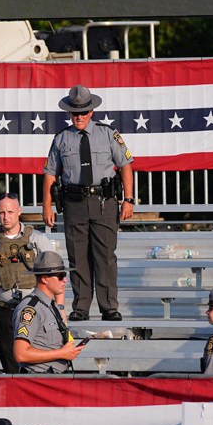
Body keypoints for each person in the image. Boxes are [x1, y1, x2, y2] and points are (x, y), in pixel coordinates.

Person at [43, 84, 135, 322]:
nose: (79, 117)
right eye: (75, 113)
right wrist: (46, 205)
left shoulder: (107, 133)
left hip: (104, 202)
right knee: (78, 258)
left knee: (104, 256)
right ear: (69, 114)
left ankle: (108, 307)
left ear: (92, 112)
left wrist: (129, 199)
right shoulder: (62, 138)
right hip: (74, 203)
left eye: (83, 112)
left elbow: (125, 166)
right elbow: (50, 173)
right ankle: (81, 307)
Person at [0, 193, 62, 373]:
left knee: (38, 363)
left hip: (35, 310)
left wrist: (59, 308)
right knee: (10, 364)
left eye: (10, 212)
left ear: (19, 211)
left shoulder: (37, 239)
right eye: (2, 212)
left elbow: (55, 275)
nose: (6, 217)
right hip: (4, 310)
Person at [12, 251, 84, 374]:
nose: (65, 280)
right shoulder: (30, 309)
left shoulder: (50, 305)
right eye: (60, 276)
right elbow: (21, 354)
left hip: (55, 379)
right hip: (39, 382)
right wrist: (61, 353)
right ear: (45, 279)